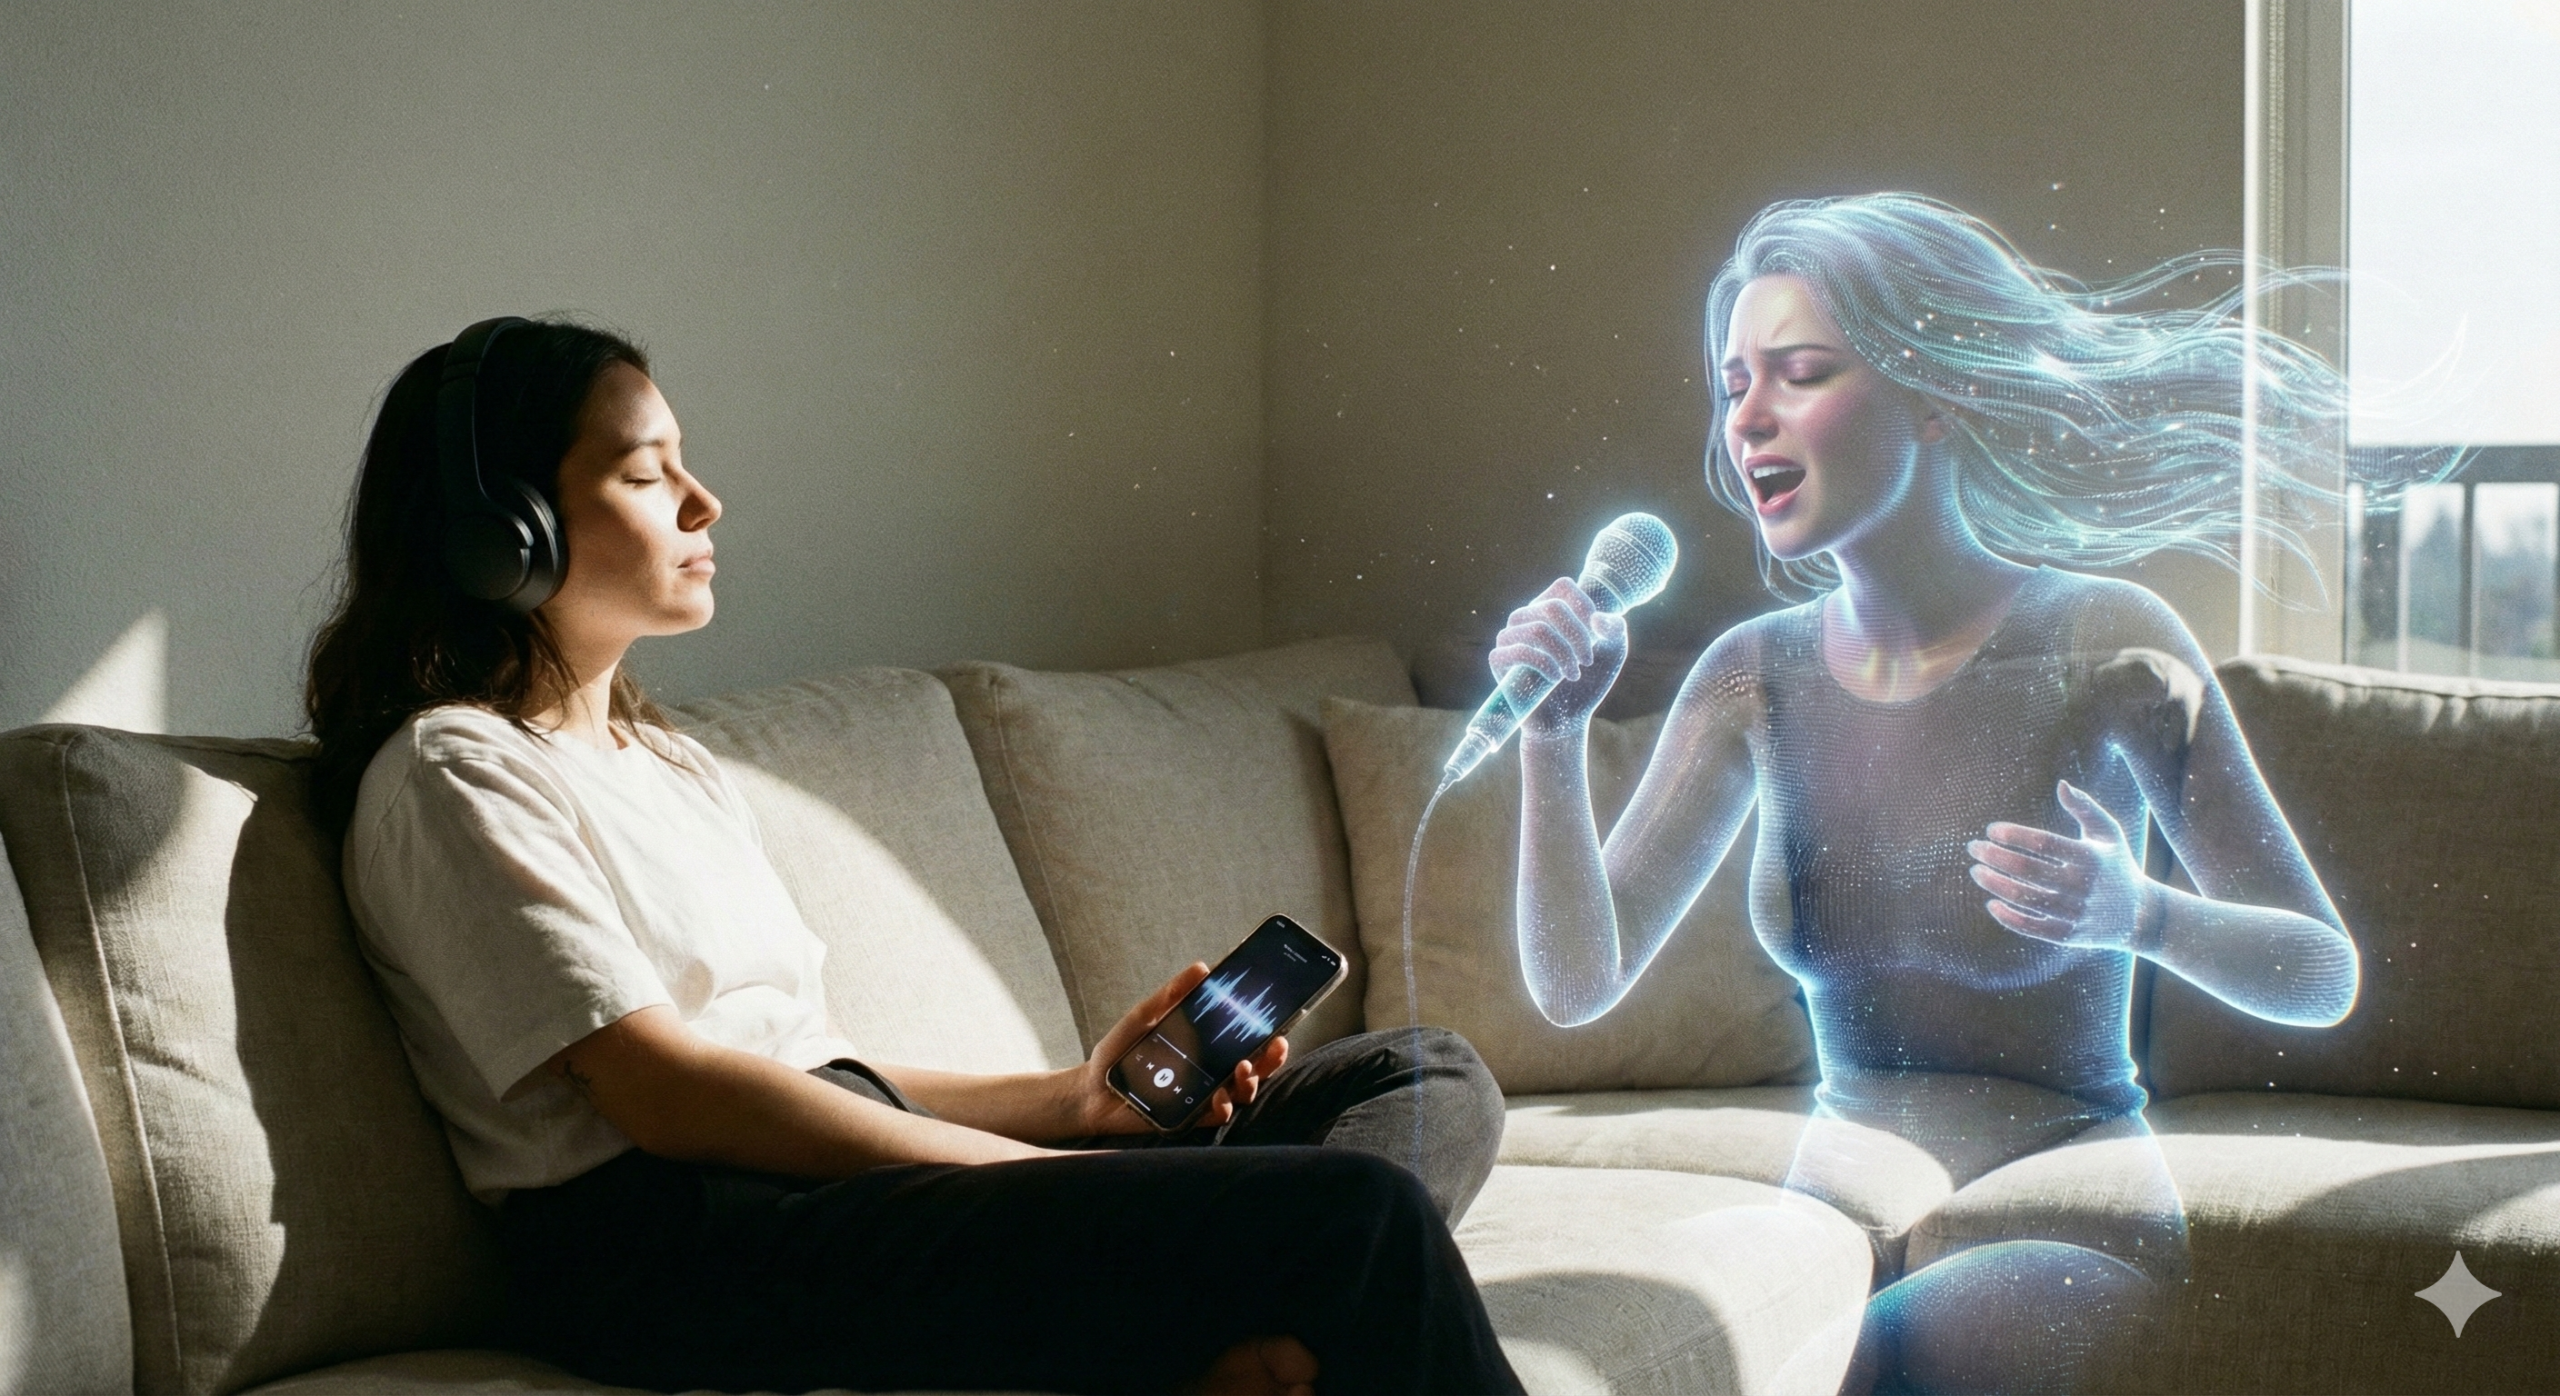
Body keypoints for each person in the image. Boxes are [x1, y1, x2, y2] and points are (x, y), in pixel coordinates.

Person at [306, 317, 1523, 1396]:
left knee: (1421, 1076)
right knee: (1358, 1212)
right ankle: (1258, 1321)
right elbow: (665, 1095)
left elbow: (810, 1069)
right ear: (500, 533)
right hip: (687, 1251)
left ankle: (1244, 1351)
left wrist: (1072, 1104)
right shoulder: (453, 771)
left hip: (819, 1192)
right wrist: (1029, 1177)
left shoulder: (660, 761)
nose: (702, 500)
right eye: (644, 470)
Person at [1490, 194, 2392, 1394]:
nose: (1748, 416)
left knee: (1878, 1365)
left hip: (2069, 1214)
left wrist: (2143, 915)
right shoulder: (1749, 674)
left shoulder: (2105, 639)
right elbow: (1574, 983)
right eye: (1731, 384)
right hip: (1834, 1216)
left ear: (1931, 392)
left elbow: (2321, 973)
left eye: (1799, 371)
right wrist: (1551, 740)